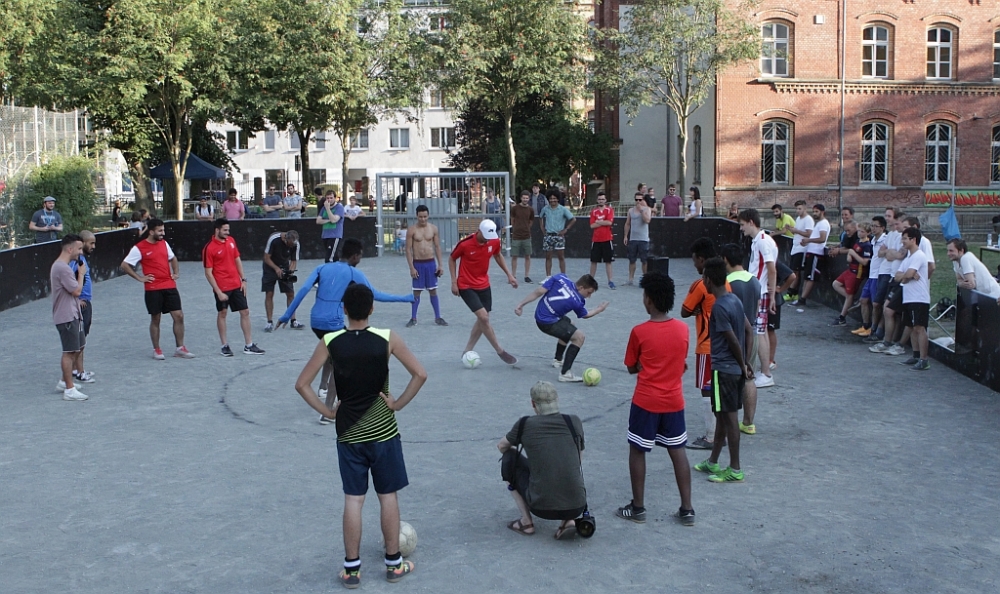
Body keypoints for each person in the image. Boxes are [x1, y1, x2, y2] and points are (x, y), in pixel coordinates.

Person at [293, 283, 426, 588]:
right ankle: (394, 564)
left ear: (344, 310)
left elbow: (302, 384)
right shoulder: (387, 338)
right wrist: (397, 404)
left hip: (348, 434)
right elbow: (420, 374)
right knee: (387, 496)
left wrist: (328, 412)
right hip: (384, 432)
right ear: (372, 309)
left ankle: (352, 570)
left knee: (354, 499)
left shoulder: (330, 341)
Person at [278, 238, 414, 424]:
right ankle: (327, 412)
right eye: (360, 256)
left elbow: (303, 290)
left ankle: (322, 387)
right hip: (333, 323)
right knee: (340, 366)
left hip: (315, 321)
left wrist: (287, 315)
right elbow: (375, 294)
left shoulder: (322, 268)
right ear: (355, 256)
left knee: (331, 353)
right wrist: (406, 298)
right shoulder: (353, 272)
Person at [615, 272, 694, 525]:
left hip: (646, 401)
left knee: (638, 450)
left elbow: (631, 367)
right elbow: (681, 362)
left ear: (648, 300)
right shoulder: (683, 329)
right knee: (678, 451)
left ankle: (638, 508)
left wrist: (642, 365)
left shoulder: (639, 331)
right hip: (674, 401)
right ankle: (687, 509)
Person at [499, 381, 588, 539]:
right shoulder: (573, 421)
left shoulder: (525, 424)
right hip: (577, 506)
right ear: (557, 399)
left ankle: (526, 522)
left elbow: (501, 446)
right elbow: (577, 460)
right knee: (564, 467)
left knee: (509, 458)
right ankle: (568, 521)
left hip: (541, 508)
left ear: (533, 404)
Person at [694, 257, 754, 483]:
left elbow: (731, 339)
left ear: (708, 280)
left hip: (724, 370)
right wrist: (746, 362)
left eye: (704, 278)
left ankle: (735, 468)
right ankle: (713, 461)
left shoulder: (718, 307)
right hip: (734, 370)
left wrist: (742, 364)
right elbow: (748, 331)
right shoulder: (734, 300)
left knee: (729, 420)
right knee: (721, 416)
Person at [120, 219, 195, 360]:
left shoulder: (164, 244)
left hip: (169, 285)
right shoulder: (139, 248)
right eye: (160, 231)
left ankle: (180, 348)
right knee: (156, 318)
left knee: (179, 315)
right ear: (151, 232)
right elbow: (125, 265)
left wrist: (176, 272)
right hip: (153, 288)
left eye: (163, 230)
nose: (163, 233)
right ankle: (157, 349)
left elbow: (173, 258)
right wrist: (139, 278)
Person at [514, 274, 609, 382]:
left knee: (570, 325)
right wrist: (599, 309)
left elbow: (539, 291)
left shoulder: (560, 278)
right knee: (579, 337)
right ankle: (565, 374)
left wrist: (521, 304)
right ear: (581, 288)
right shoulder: (578, 300)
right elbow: (585, 315)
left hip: (540, 315)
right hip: (547, 323)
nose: (589, 296)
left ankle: (558, 360)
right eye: (589, 292)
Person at [449, 219, 519, 366]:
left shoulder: (494, 241)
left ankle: (466, 351)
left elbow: (498, 255)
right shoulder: (465, 244)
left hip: (484, 284)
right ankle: (500, 351)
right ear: (479, 231)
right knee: (484, 318)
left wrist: (509, 275)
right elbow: (452, 258)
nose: (488, 240)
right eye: (485, 236)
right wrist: (454, 282)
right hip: (466, 285)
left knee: (483, 319)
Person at [682, 238, 725, 451]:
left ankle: (710, 437)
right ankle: (721, 433)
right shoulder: (726, 282)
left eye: (695, 261)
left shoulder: (700, 285)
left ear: (701, 259)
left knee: (706, 390)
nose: (694, 265)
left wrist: (697, 308)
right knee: (719, 390)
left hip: (706, 346)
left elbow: (684, 311)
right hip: (724, 345)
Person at [202, 219, 264, 357]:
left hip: (236, 284)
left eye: (228, 230)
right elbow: (208, 273)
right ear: (217, 230)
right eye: (225, 230)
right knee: (222, 313)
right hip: (222, 287)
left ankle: (249, 345)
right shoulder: (209, 248)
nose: (227, 232)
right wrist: (218, 291)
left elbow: (237, 260)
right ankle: (224, 346)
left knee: (245, 311)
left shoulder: (231, 241)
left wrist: (243, 279)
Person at [721, 244, 761, 437]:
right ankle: (748, 422)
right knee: (749, 376)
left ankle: (726, 422)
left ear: (725, 260)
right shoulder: (754, 281)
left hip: (732, 335)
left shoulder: (726, 283)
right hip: (751, 333)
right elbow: (757, 308)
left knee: (727, 377)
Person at [738, 209, 778, 390]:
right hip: (760, 291)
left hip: (760, 292)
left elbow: (771, 268)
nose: (741, 228)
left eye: (742, 224)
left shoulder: (762, 241)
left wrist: (771, 295)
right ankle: (765, 371)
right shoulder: (761, 241)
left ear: (751, 222)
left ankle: (766, 374)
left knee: (759, 332)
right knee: (762, 331)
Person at [51, 234, 89, 401]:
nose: (81, 252)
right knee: (69, 351)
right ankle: (69, 389)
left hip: (73, 313)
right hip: (66, 316)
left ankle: (63, 381)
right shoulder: (62, 268)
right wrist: (81, 274)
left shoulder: (63, 267)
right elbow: (76, 291)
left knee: (79, 346)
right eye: (79, 249)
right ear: (70, 249)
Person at [405, 205, 448, 327]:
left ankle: (438, 317)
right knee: (416, 292)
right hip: (418, 263)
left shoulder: (433, 229)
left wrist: (440, 265)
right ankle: (413, 318)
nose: (423, 219)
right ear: (417, 216)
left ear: (428, 216)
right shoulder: (412, 230)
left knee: (433, 290)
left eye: (425, 216)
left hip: (430, 263)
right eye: (420, 217)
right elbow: (408, 249)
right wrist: (411, 267)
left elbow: (437, 247)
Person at [895, 227, 931, 370]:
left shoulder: (919, 256)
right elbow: (898, 276)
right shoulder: (908, 258)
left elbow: (908, 275)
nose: (902, 241)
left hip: (919, 298)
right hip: (909, 297)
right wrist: (906, 276)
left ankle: (924, 359)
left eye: (905, 238)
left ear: (913, 240)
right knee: (911, 327)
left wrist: (906, 276)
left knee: (919, 328)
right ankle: (916, 355)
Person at [66, 230, 97, 384]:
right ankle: (78, 371)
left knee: (82, 340)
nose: (93, 246)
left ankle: (78, 370)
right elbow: (69, 281)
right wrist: (76, 299)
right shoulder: (75, 261)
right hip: (81, 304)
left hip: (85, 302)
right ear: (82, 243)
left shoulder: (81, 259)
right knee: (80, 340)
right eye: (91, 243)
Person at [830, 222, 871, 327]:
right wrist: (850, 255)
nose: (860, 233)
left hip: (857, 272)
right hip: (850, 269)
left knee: (849, 294)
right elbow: (851, 253)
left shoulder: (867, 245)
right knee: (836, 284)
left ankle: (842, 317)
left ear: (867, 233)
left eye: (862, 232)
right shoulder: (857, 241)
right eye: (859, 231)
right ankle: (852, 300)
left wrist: (853, 253)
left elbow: (865, 262)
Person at [262, 230, 302, 333]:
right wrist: (276, 268)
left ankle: (293, 320)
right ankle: (269, 322)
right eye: (290, 244)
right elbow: (266, 258)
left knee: (290, 293)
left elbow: (293, 261)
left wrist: (290, 272)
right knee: (269, 293)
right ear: (285, 239)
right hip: (269, 267)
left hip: (284, 266)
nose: (291, 247)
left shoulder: (296, 244)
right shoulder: (273, 239)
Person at [855, 217, 888, 337]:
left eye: (875, 226)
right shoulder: (873, 240)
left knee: (876, 304)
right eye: (872, 226)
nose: (873, 228)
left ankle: (874, 328)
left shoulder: (885, 240)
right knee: (863, 300)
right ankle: (865, 325)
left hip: (878, 275)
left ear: (882, 228)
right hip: (871, 275)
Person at [792, 204, 830, 306]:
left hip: (816, 253)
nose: (814, 214)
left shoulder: (823, 223)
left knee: (810, 277)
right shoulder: (819, 223)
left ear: (822, 212)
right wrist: (807, 242)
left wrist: (808, 240)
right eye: (813, 212)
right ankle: (801, 298)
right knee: (807, 276)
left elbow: (822, 239)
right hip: (811, 252)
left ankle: (803, 299)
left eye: (817, 212)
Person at [766, 260, 797, 371]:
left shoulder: (773, 261)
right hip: (765, 298)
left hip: (774, 300)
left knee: (770, 330)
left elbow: (792, 276)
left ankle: (770, 359)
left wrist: (780, 289)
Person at [539, 191, 576, 276]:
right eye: (551, 198)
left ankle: (563, 276)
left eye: (554, 198)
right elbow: (540, 217)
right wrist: (542, 228)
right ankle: (548, 276)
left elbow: (573, 219)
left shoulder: (563, 209)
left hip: (559, 235)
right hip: (548, 235)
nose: (553, 200)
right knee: (548, 257)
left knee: (561, 257)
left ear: (558, 199)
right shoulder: (545, 209)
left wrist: (566, 229)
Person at [785, 200, 814, 300]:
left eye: (799, 208)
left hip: (802, 248)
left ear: (805, 209)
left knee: (796, 271)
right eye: (796, 209)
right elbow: (797, 232)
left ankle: (792, 292)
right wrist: (791, 229)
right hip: (795, 246)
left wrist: (796, 231)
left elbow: (809, 234)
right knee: (793, 270)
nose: (797, 211)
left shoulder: (808, 219)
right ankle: (793, 292)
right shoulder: (798, 219)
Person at [588, 191, 616, 289]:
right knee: (594, 261)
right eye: (599, 199)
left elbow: (609, 222)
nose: (601, 201)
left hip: (607, 239)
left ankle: (610, 281)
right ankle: (590, 281)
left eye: (603, 199)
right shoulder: (593, 211)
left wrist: (598, 221)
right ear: (597, 200)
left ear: (605, 200)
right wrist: (603, 222)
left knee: (608, 261)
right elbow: (592, 225)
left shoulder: (609, 210)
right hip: (596, 239)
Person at [623, 192, 651, 285]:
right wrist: (625, 236)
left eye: (640, 199)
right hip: (633, 239)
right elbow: (627, 223)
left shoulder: (647, 209)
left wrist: (641, 211)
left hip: (643, 239)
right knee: (632, 260)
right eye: (636, 200)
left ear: (643, 200)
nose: (638, 201)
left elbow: (647, 220)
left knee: (644, 260)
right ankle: (630, 279)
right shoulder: (631, 210)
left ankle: (645, 278)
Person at [509, 190, 536, 284]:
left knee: (527, 256)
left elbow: (531, 221)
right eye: (524, 198)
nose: (525, 199)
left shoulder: (531, 209)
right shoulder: (515, 208)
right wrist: (516, 227)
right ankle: (513, 275)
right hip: (516, 235)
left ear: (529, 199)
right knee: (514, 256)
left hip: (526, 235)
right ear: (521, 198)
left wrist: (527, 228)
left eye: (527, 198)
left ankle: (526, 276)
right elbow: (512, 219)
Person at [317, 190, 346, 263]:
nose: (329, 200)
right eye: (327, 198)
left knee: (329, 258)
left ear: (335, 198)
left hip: (334, 235)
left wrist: (328, 209)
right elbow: (318, 221)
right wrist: (328, 220)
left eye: (331, 198)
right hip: (325, 235)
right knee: (334, 257)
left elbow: (334, 220)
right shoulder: (323, 208)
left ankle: (329, 270)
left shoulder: (339, 207)